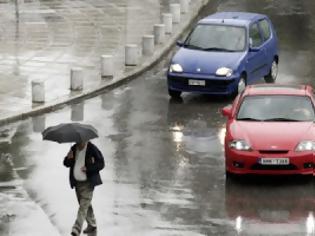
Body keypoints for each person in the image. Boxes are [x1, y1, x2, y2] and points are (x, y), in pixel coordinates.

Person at [63, 141, 105, 236]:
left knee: (83, 206)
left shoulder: (92, 148)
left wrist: (88, 168)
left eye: (81, 140)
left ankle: (76, 229)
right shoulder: (73, 148)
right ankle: (92, 224)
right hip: (77, 183)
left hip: (88, 183)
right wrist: (68, 158)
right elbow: (66, 163)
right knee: (85, 205)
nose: (79, 142)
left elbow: (101, 164)